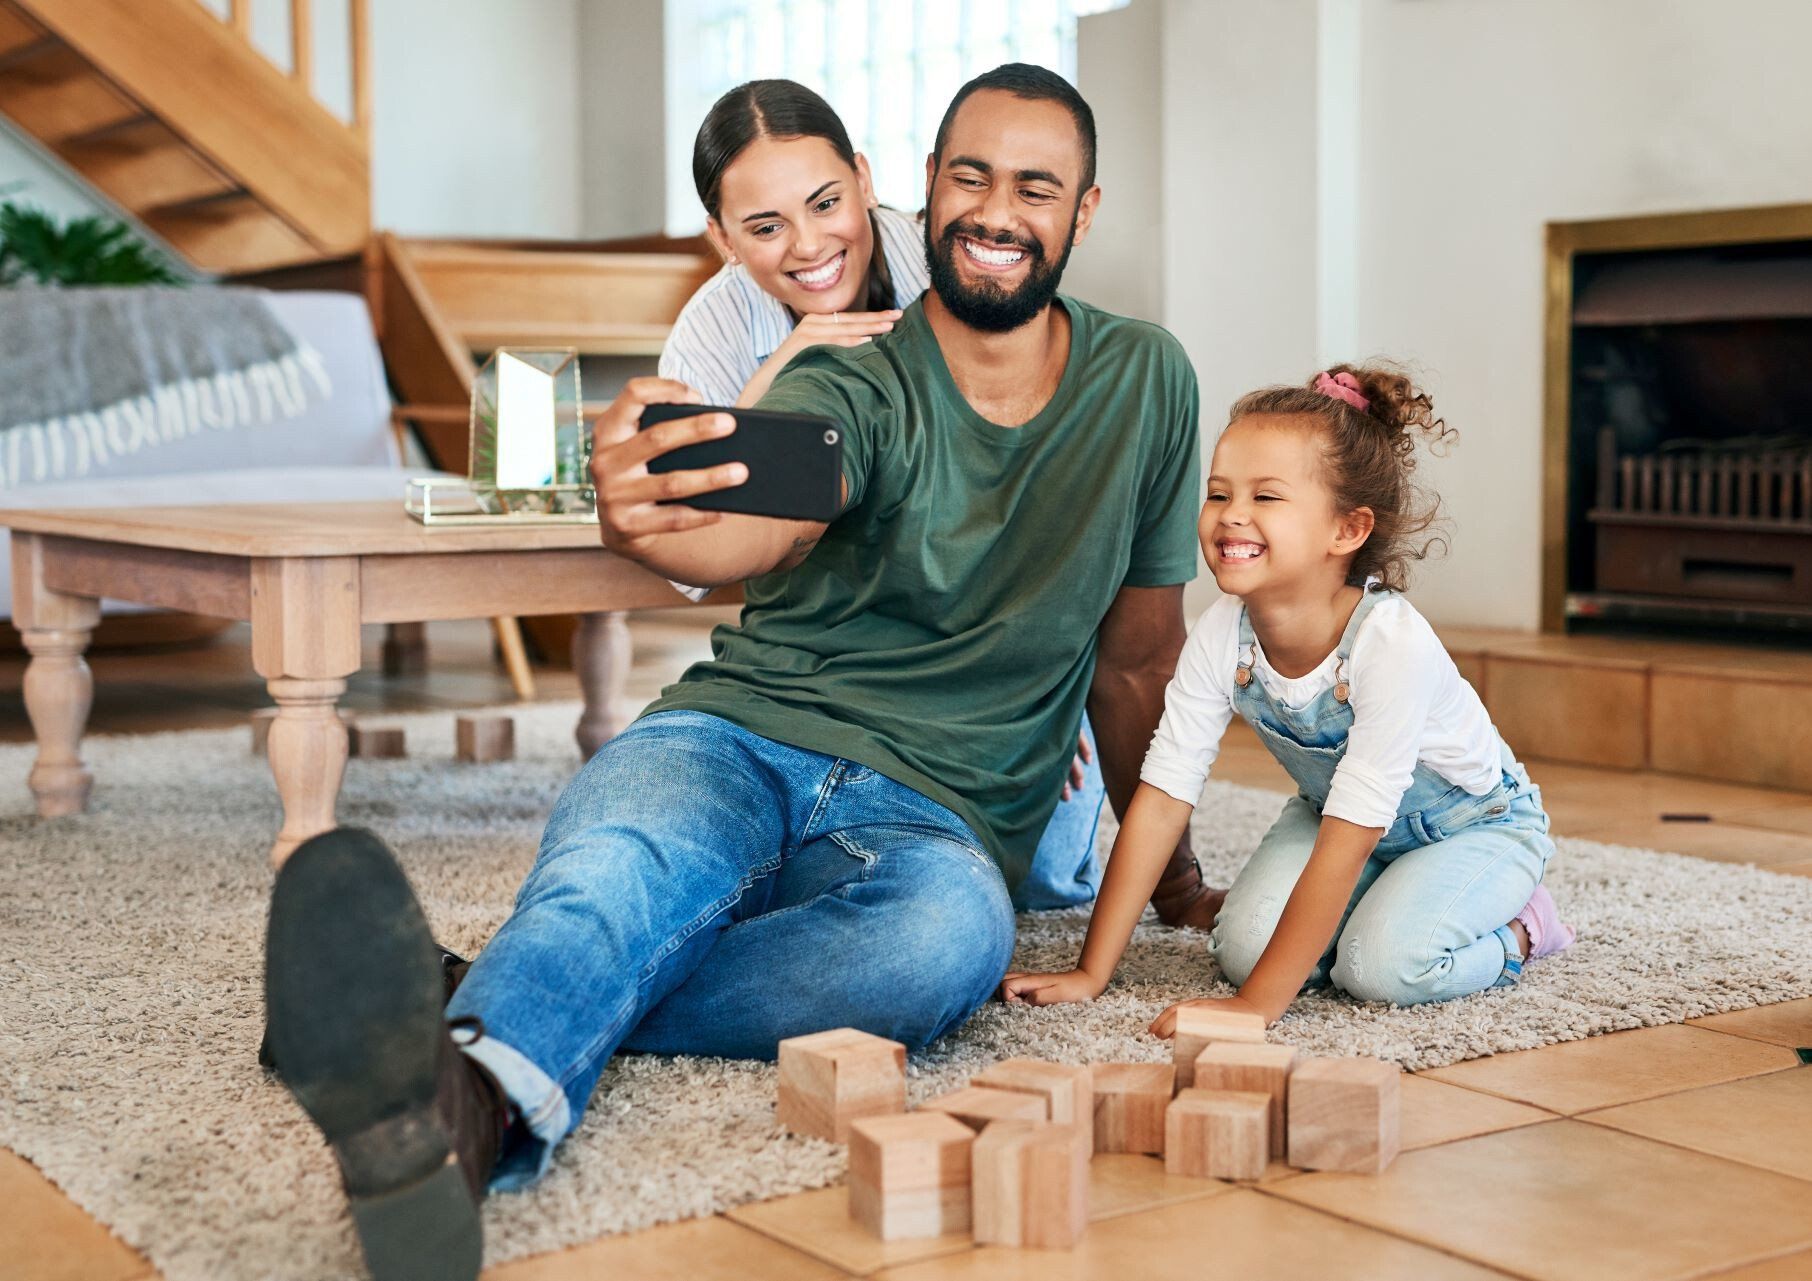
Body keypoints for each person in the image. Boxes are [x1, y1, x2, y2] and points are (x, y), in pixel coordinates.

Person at [264, 63, 1219, 1281]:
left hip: (934, 815)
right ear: (922, 191)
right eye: (970, 176)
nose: (996, 208)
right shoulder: (846, 377)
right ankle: (461, 1113)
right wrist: (641, 515)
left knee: (947, 950)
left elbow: (1142, 659)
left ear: (1084, 213)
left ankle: (464, 995)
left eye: (1038, 187)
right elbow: (744, 534)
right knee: (622, 863)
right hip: (733, 738)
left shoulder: (1149, 383)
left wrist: (1176, 872)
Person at [658, 78, 1132, 913]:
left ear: (868, 180)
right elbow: (690, 567)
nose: (809, 246)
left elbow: (1037, 498)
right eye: (765, 227)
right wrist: (781, 377)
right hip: (837, 651)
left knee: (1046, 883)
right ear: (722, 236)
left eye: (826, 202)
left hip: (992, 638)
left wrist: (1037, 700)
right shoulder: (714, 330)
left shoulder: (953, 265)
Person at [1000, 366, 1576, 1034]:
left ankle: (1526, 928)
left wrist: (1256, 1009)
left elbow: (1347, 842)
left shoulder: (1389, 645)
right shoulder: (1223, 630)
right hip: (1333, 816)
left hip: (1475, 827)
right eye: (1219, 493)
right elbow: (1160, 800)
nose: (1231, 514)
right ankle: (1379, 909)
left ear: (1347, 529)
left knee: (1380, 967)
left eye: (1265, 496)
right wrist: (1090, 971)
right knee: (1244, 950)